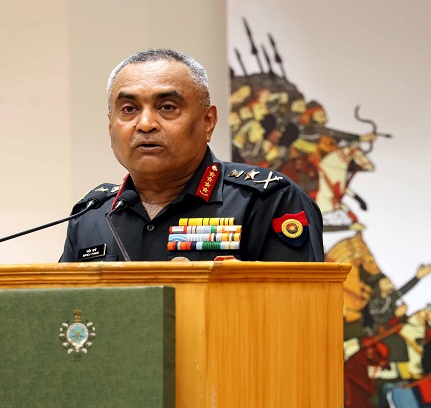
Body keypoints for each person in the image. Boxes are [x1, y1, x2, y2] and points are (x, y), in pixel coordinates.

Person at [59, 48, 324, 263]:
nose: (145, 123)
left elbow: (298, 314)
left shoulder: (267, 201)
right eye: (129, 109)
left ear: (208, 122)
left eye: (167, 106)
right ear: (110, 127)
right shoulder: (91, 215)